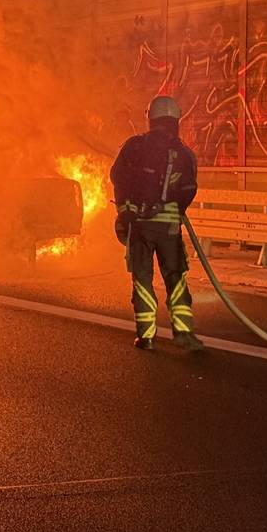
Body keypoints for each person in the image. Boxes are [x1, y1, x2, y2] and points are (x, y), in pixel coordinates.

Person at [110, 95, 204, 352]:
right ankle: (184, 334)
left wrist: (125, 212)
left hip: (139, 226)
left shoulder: (134, 147)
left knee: (142, 280)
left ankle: (146, 336)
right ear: (176, 120)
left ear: (151, 119)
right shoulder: (183, 153)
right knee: (175, 279)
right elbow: (189, 188)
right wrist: (176, 209)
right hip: (169, 228)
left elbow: (118, 178)